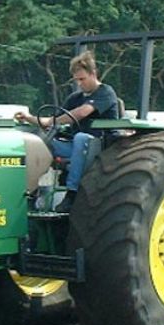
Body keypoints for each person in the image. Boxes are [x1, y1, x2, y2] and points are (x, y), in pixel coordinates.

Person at [14, 50, 119, 213]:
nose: (79, 84)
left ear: (93, 74)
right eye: (76, 80)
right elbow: (53, 120)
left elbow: (82, 112)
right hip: (75, 147)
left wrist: (51, 121)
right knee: (40, 143)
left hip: (101, 146)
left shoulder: (105, 92)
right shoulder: (75, 98)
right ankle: (31, 192)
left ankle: (72, 193)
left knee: (80, 138)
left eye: (82, 79)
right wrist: (29, 118)